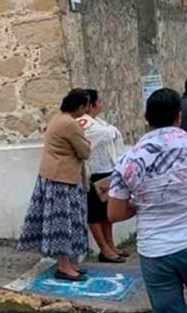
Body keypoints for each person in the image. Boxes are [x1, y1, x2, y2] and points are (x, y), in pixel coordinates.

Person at [108, 88, 187, 313]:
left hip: (156, 250)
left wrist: (141, 204)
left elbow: (114, 214)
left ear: (146, 118)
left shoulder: (128, 160)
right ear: (179, 116)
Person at [17, 89, 92, 281]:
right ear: (80, 106)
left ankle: (68, 264)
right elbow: (84, 151)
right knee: (62, 224)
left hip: (55, 176)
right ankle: (64, 267)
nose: (86, 110)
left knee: (62, 223)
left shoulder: (57, 119)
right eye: (85, 106)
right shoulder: (70, 124)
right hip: (62, 179)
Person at [78, 89, 127, 263]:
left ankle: (111, 245)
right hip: (93, 172)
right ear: (90, 105)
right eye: (98, 102)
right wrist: (110, 132)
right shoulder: (84, 122)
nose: (101, 104)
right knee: (95, 213)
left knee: (106, 213)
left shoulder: (98, 121)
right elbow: (103, 134)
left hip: (107, 170)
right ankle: (104, 249)